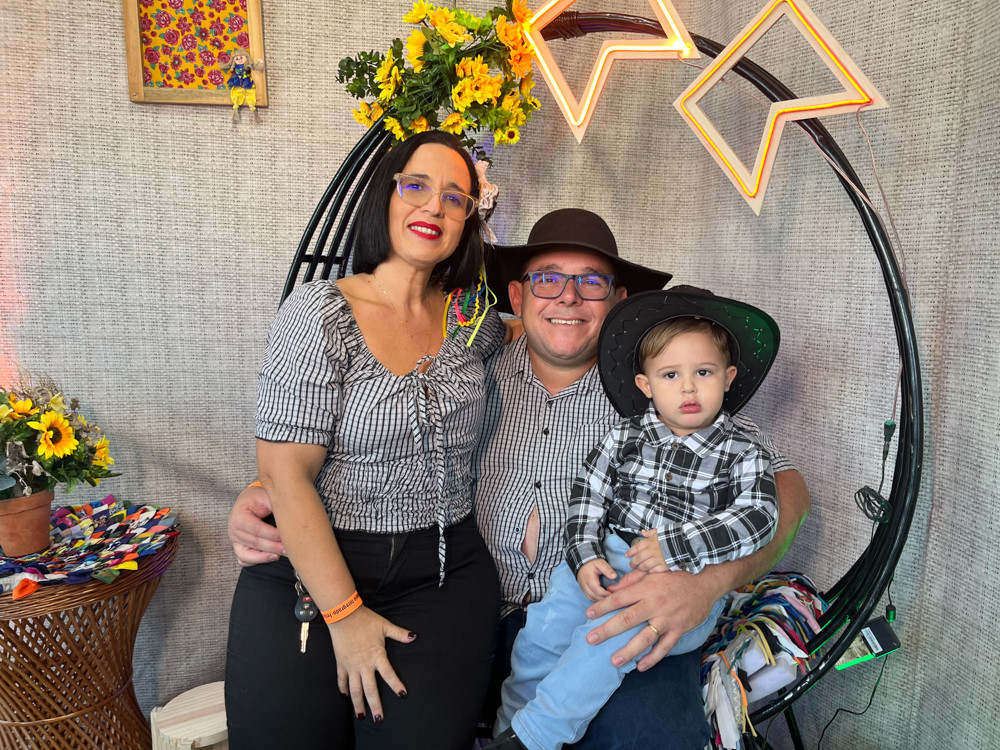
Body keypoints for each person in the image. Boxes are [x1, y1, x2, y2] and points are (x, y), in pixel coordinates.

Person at [229, 208, 811, 748]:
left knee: (648, 732)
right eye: (547, 280)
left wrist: (706, 585)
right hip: (473, 607)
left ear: (619, 302)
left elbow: (790, 492)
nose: (568, 297)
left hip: (616, 608)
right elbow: (380, 440)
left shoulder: (661, 390)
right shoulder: (469, 368)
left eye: (591, 282)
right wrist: (267, 488)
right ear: (516, 296)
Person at [224, 130, 507, 750]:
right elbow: (286, 474)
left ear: (467, 221)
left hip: (442, 577)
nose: (433, 207)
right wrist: (346, 616)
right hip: (310, 573)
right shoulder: (319, 312)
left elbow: (546, 336)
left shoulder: (472, 321)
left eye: (455, 198)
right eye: (417, 186)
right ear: (386, 196)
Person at [489, 288, 781, 750]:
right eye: (671, 375)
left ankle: (535, 737)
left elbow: (759, 516)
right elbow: (589, 495)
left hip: (680, 579)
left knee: (602, 646)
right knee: (540, 639)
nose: (688, 388)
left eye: (703, 372)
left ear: (727, 378)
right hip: (604, 558)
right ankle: (507, 728)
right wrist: (584, 555)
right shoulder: (624, 436)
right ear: (646, 385)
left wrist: (677, 546)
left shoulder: (742, 451)